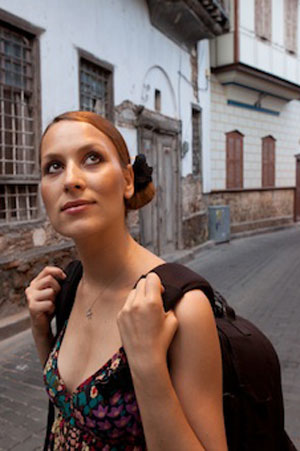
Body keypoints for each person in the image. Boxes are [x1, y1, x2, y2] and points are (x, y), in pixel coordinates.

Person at [25, 110, 227, 450]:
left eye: (92, 158)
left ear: (128, 180)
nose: (70, 179)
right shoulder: (69, 287)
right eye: (54, 167)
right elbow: (67, 410)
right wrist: (41, 333)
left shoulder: (180, 307)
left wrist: (147, 365)